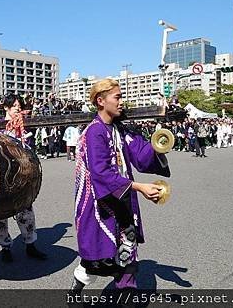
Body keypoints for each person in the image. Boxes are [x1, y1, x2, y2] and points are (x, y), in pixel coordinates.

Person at [70, 79, 170, 293]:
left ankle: (126, 293)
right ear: (100, 101)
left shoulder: (119, 129)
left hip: (123, 199)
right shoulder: (94, 132)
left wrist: (159, 142)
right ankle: (77, 286)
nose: (122, 101)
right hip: (102, 202)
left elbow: (141, 153)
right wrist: (139, 187)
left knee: (127, 250)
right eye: (117, 97)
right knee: (100, 257)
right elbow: (100, 173)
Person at [0, 94, 47, 262]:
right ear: (6, 108)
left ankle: (30, 244)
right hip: (1, 176)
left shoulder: (25, 126)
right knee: (0, 215)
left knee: (26, 211)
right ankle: (5, 247)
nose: (17, 107)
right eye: (14, 105)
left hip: (21, 175)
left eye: (19, 105)